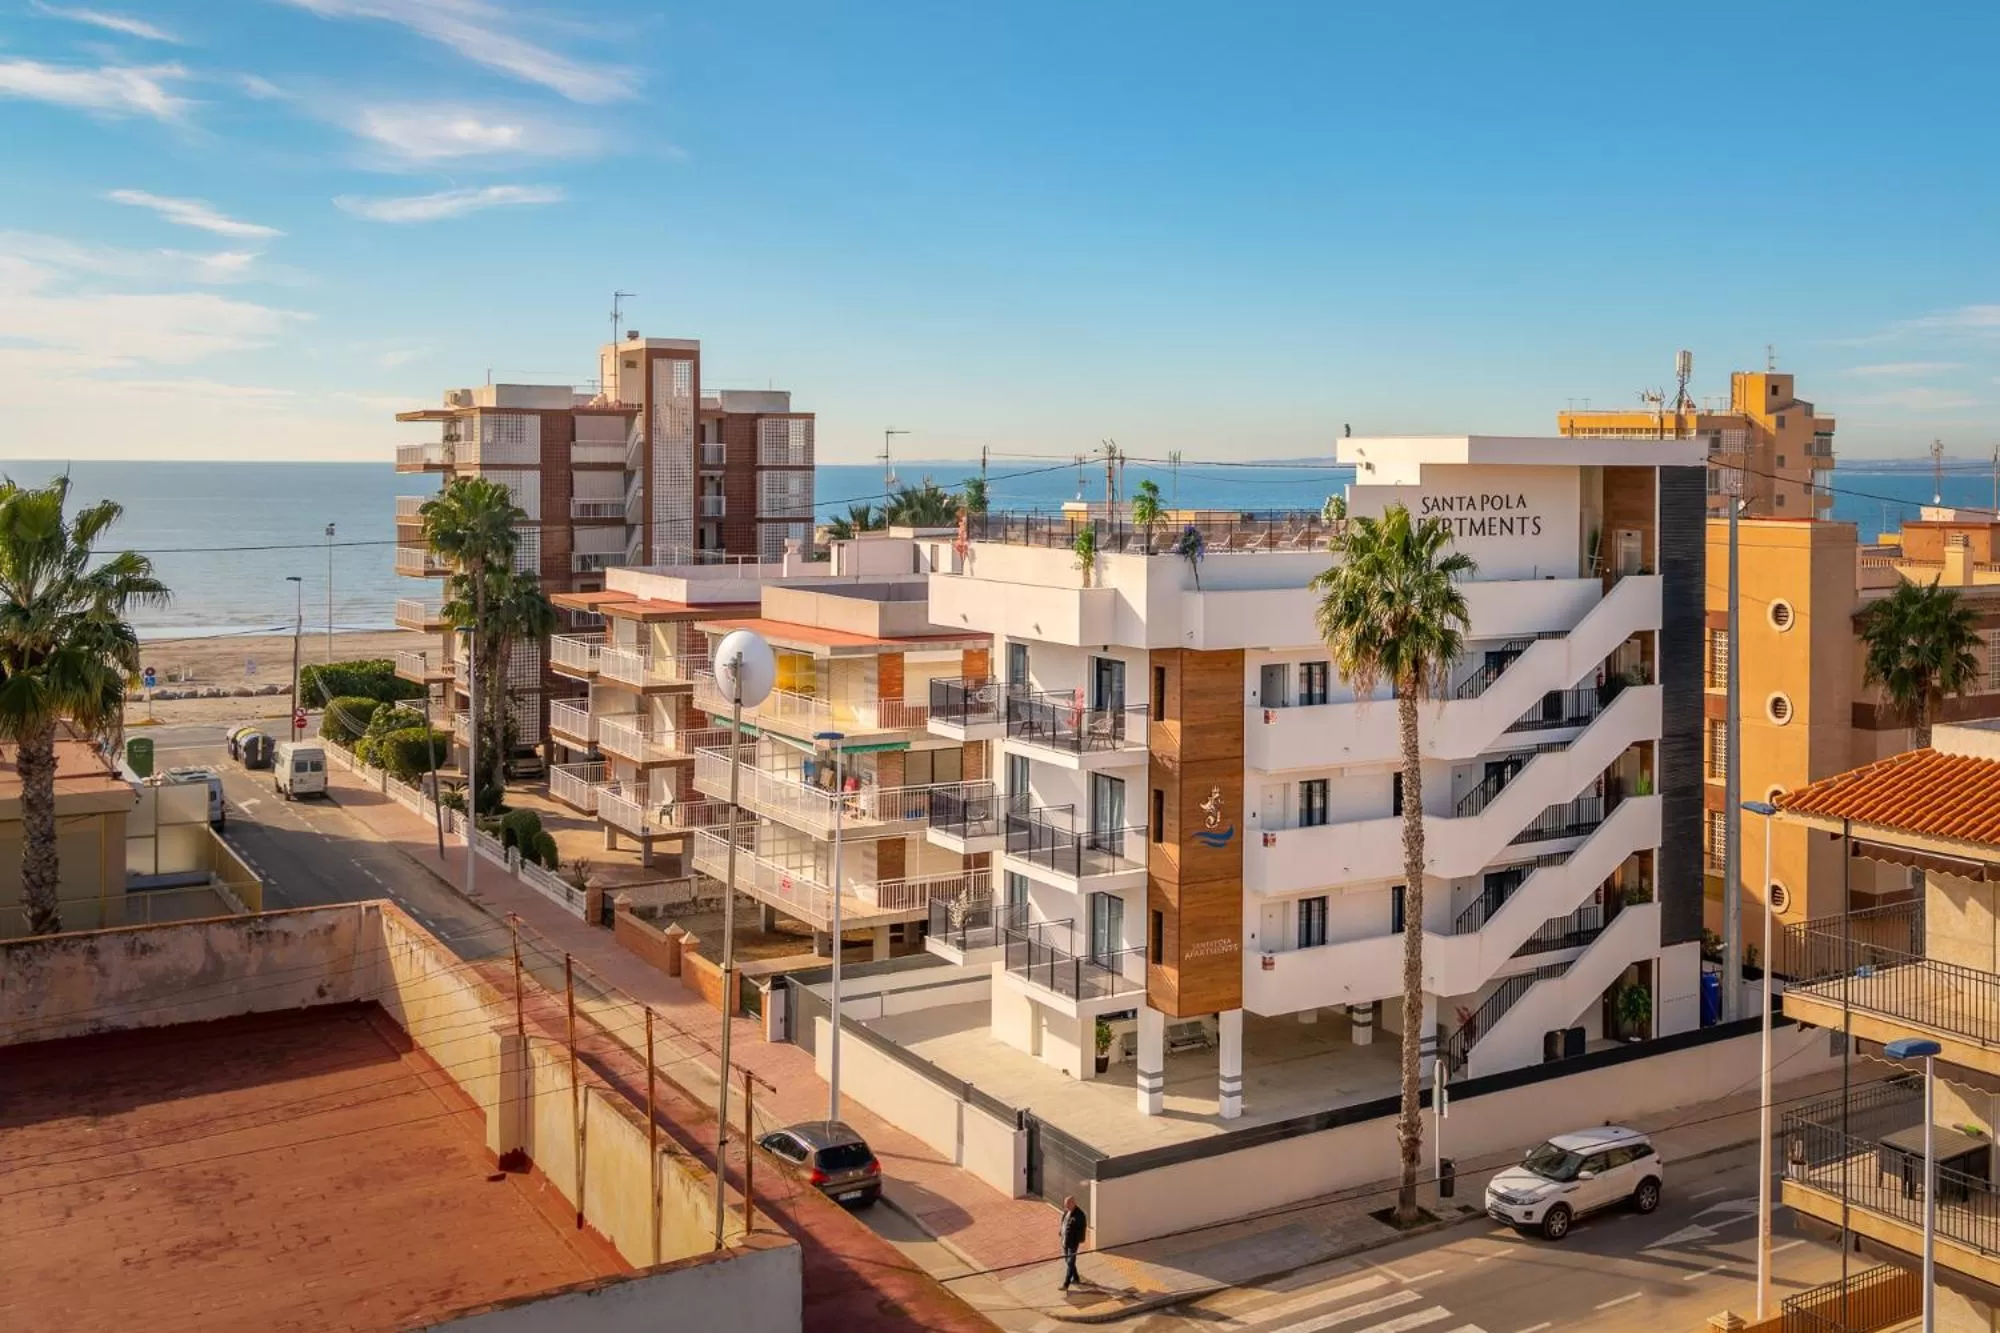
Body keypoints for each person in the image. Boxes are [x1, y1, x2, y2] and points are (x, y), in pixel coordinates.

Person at [1058, 1195, 1087, 1290]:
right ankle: (1076, 1278)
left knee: (1070, 1262)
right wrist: (1061, 1231)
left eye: (1067, 1205)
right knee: (1069, 1261)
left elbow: (1081, 1230)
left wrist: (1077, 1240)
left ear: (1073, 1203)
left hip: (1072, 1243)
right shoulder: (1067, 1211)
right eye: (1065, 1205)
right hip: (1065, 1241)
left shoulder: (1079, 1215)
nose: (1065, 1207)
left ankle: (1066, 1284)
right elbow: (1064, 1223)